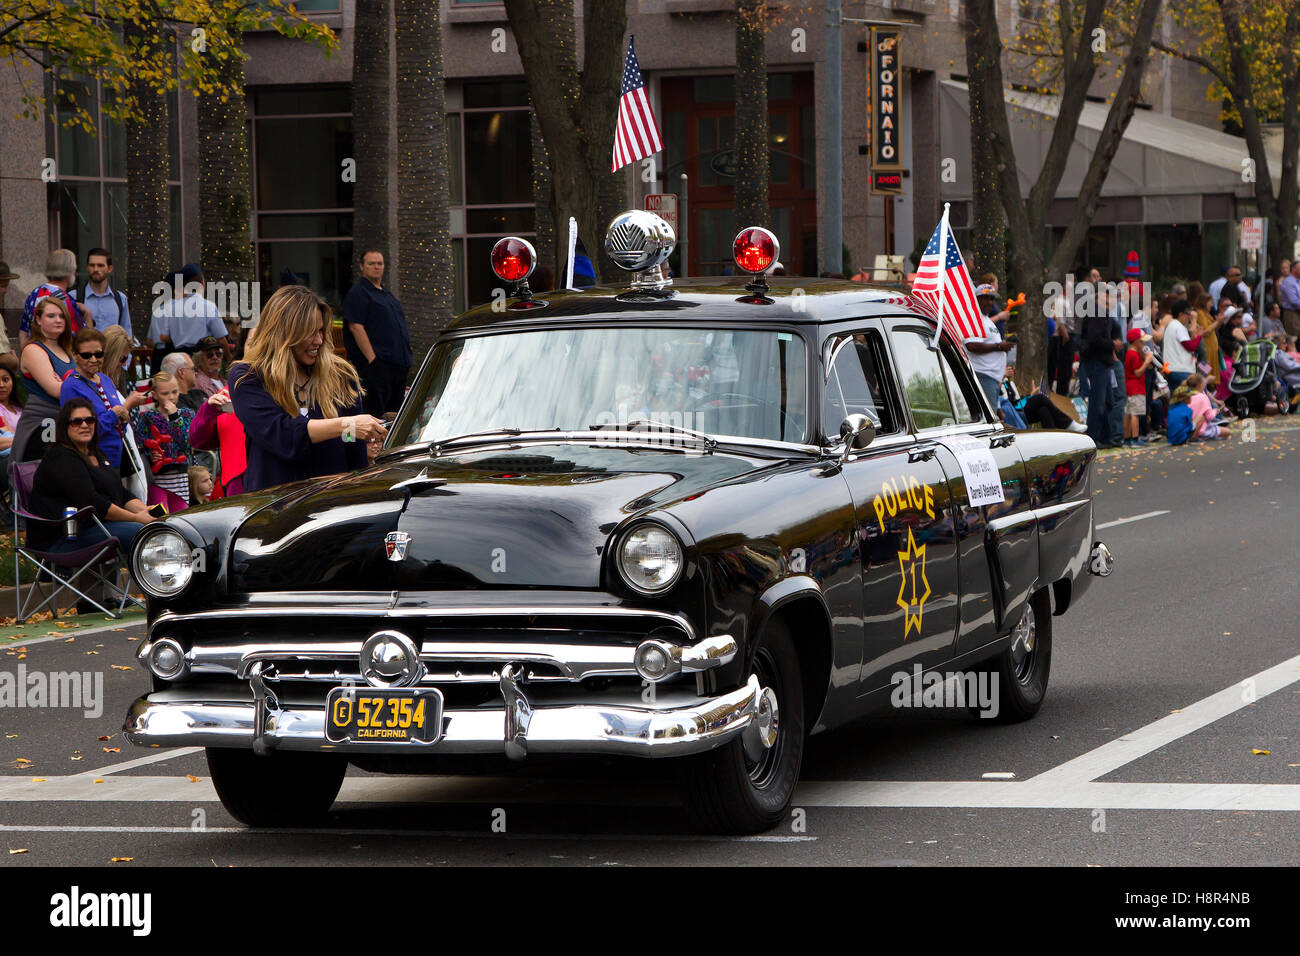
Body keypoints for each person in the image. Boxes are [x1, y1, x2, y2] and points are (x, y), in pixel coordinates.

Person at [231, 284, 385, 493]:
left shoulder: (340, 376)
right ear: (284, 333)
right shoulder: (247, 377)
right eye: (310, 333)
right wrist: (346, 424)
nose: (319, 340)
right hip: (271, 510)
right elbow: (283, 436)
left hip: (330, 504)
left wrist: (350, 431)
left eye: (321, 330)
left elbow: (349, 441)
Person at [26, 399, 155, 558]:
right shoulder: (61, 457)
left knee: (156, 525)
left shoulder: (95, 453)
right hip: (62, 539)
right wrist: (136, 518)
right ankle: (152, 580)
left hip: (92, 528)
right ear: (65, 426)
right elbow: (92, 502)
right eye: (76, 422)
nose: (84, 425)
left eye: (89, 420)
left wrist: (145, 511)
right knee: (137, 530)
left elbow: (120, 492)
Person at [58, 328, 146, 470]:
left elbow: (118, 424)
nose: (93, 360)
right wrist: (114, 415)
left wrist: (123, 417)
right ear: (75, 356)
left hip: (116, 460)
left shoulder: (105, 379)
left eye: (98, 354)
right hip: (91, 463)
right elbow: (76, 430)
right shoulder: (71, 386)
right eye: (86, 355)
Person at [343, 249, 413, 419]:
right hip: (377, 368)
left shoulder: (386, 293)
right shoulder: (358, 293)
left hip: (398, 367)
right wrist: (373, 360)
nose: (376, 267)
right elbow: (355, 327)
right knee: (374, 417)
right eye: (371, 263)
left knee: (394, 418)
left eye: (379, 263)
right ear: (362, 266)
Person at [14, 295, 76, 461]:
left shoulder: (67, 350)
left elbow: (67, 386)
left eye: (62, 316)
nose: (58, 320)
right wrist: (73, 384)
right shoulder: (33, 350)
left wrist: (65, 383)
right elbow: (56, 390)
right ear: (38, 320)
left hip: (67, 422)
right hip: (42, 424)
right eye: (51, 316)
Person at [137, 371, 196, 502]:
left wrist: (175, 417)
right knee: (163, 514)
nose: (171, 397)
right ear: (154, 395)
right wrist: (150, 455)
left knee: (180, 513)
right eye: (165, 393)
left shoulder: (186, 414)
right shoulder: (149, 417)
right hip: (158, 478)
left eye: (175, 392)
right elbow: (140, 443)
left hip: (181, 476)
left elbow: (188, 444)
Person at [20, 249, 92, 349]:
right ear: (70, 271)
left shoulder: (34, 293)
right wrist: (88, 316)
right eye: (74, 269)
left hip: (36, 351)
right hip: (58, 355)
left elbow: (23, 331)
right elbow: (84, 339)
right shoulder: (65, 299)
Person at [190, 385, 248, 497]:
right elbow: (199, 440)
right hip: (237, 484)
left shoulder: (280, 385)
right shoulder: (226, 393)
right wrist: (208, 410)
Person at [1077, 296, 1117, 447]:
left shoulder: (1104, 313)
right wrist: (1112, 344)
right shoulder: (1096, 312)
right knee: (1097, 402)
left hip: (1104, 362)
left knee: (1107, 402)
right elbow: (1094, 338)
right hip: (1097, 362)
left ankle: (1105, 437)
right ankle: (1093, 437)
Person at [964, 300, 1014, 410]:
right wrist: (999, 346)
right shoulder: (975, 319)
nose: (990, 302)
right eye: (986, 298)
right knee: (990, 417)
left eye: (992, 299)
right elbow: (971, 345)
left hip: (994, 378)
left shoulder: (987, 320)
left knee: (994, 414)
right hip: (983, 375)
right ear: (977, 299)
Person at [73, 248, 132, 340]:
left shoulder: (120, 299)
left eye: (100, 265)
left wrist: (126, 354)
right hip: (86, 353)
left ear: (110, 269)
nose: (96, 269)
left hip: (113, 353)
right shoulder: (74, 297)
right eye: (92, 265)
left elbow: (127, 334)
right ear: (87, 267)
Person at [1122, 328, 1154, 447]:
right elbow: (1137, 372)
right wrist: (1146, 362)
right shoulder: (1134, 355)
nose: (1143, 344)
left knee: (1128, 413)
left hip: (1129, 387)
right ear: (1135, 341)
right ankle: (1135, 438)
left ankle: (1127, 438)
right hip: (1136, 387)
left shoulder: (1129, 353)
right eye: (1141, 341)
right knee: (1135, 414)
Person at [1186, 373, 1229, 440]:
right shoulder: (1203, 397)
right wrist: (1215, 411)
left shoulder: (1186, 396)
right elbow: (1209, 417)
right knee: (1227, 432)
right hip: (1202, 429)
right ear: (1200, 385)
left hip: (1186, 429)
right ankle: (1200, 436)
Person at [1278, 259, 1300, 339]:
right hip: (1292, 314)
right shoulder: (1289, 282)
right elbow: (1293, 301)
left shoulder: (1297, 281)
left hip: (1297, 312)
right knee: (1294, 338)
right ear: (1294, 269)